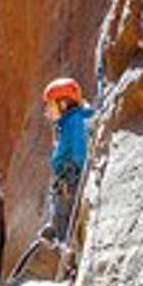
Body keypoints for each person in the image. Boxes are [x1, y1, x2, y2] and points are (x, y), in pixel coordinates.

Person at [40, 77, 93, 243]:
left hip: (71, 183)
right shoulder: (68, 123)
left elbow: (80, 150)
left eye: (50, 105)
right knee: (60, 222)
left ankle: (61, 243)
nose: (47, 110)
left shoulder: (74, 121)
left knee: (65, 227)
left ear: (63, 104)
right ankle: (57, 235)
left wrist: (75, 172)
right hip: (66, 182)